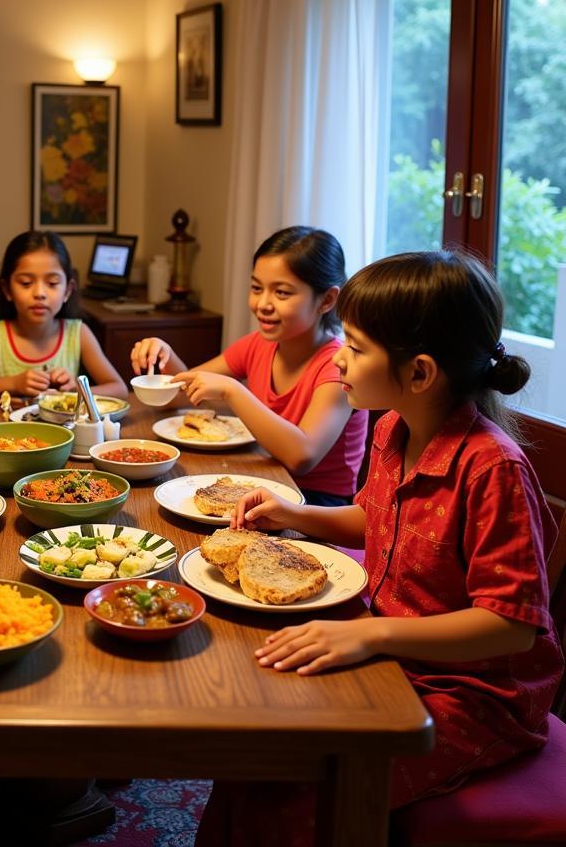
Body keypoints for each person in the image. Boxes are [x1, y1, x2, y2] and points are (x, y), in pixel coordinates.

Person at [197, 250, 564, 847]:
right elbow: (376, 522)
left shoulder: (492, 467)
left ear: (419, 373)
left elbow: (510, 625)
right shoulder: (395, 427)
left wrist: (368, 635)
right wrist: (296, 513)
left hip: (475, 696)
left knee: (302, 789)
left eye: (357, 347)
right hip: (396, 650)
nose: (338, 356)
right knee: (255, 745)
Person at [131, 226, 366, 505]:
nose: (262, 304)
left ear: (327, 300)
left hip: (318, 503)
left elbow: (301, 457)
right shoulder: (258, 345)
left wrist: (234, 391)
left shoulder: (337, 366)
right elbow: (182, 394)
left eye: (282, 293)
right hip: (264, 477)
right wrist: (164, 355)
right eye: (256, 288)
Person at [0, 230, 127, 399]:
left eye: (52, 283)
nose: (39, 293)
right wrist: (12, 383)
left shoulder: (78, 333)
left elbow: (119, 389)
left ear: (67, 290)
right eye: (25, 283)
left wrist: (75, 388)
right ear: (6, 289)